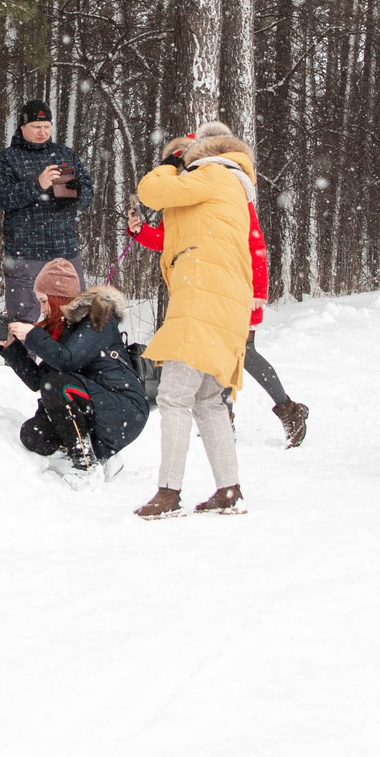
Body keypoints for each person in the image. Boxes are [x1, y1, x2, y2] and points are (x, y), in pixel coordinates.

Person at [126, 119, 310, 447]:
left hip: (240, 286)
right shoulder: (191, 197)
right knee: (215, 349)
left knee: (242, 350)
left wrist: (257, 291)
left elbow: (253, 242)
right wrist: (140, 232)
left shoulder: (226, 187)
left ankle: (286, 408)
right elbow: (169, 241)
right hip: (208, 287)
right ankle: (225, 416)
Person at [131, 129, 257, 518]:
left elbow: (151, 190)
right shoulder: (227, 186)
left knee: (173, 397)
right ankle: (229, 489)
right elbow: (175, 239)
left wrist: (169, 165)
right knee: (207, 402)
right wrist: (142, 233)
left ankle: (168, 492)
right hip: (220, 302)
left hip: (205, 300)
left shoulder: (213, 175)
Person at [0, 257, 150, 471]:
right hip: (95, 406)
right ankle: (100, 456)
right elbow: (38, 381)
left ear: (57, 298)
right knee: (33, 434)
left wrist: (32, 335)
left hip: (123, 408)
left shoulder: (97, 318)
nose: (42, 309)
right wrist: (11, 346)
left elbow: (66, 361)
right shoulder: (64, 328)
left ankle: (85, 464)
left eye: (43, 301)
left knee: (57, 383)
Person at [0, 99, 94, 322]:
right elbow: (2, 197)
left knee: (75, 318)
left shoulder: (65, 155)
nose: (42, 132)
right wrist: (38, 184)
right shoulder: (6, 159)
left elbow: (88, 197)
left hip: (65, 251)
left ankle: (67, 357)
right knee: (27, 320)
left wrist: (77, 194)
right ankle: (23, 358)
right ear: (22, 126)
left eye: (46, 126)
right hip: (26, 253)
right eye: (36, 126)